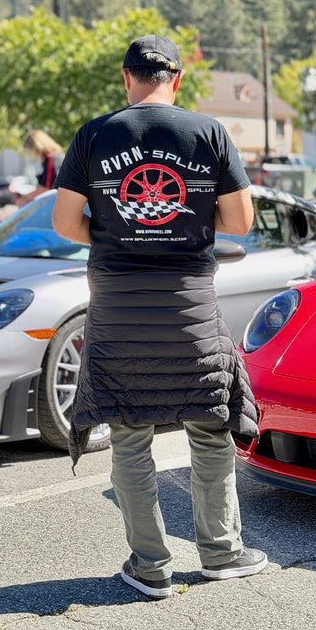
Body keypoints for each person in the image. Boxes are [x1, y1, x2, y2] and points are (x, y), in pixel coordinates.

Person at [52, 34, 267, 599]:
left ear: (126, 79)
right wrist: (181, 222)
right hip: (188, 308)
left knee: (128, 435)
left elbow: (64, 222)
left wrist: (125, 229)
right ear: (178, 80)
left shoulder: (95, 134)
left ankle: (151, 567)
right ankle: (221, 553)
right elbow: (240, 222)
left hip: (119, 313)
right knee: (211, 428)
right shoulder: (210, 132)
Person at [17, 130, 64, 206]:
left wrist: (25, 199)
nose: (32, 155)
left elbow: (46, 188)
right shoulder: (53, 158)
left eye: (30, 152)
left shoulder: (51, 158)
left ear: (36, 148)